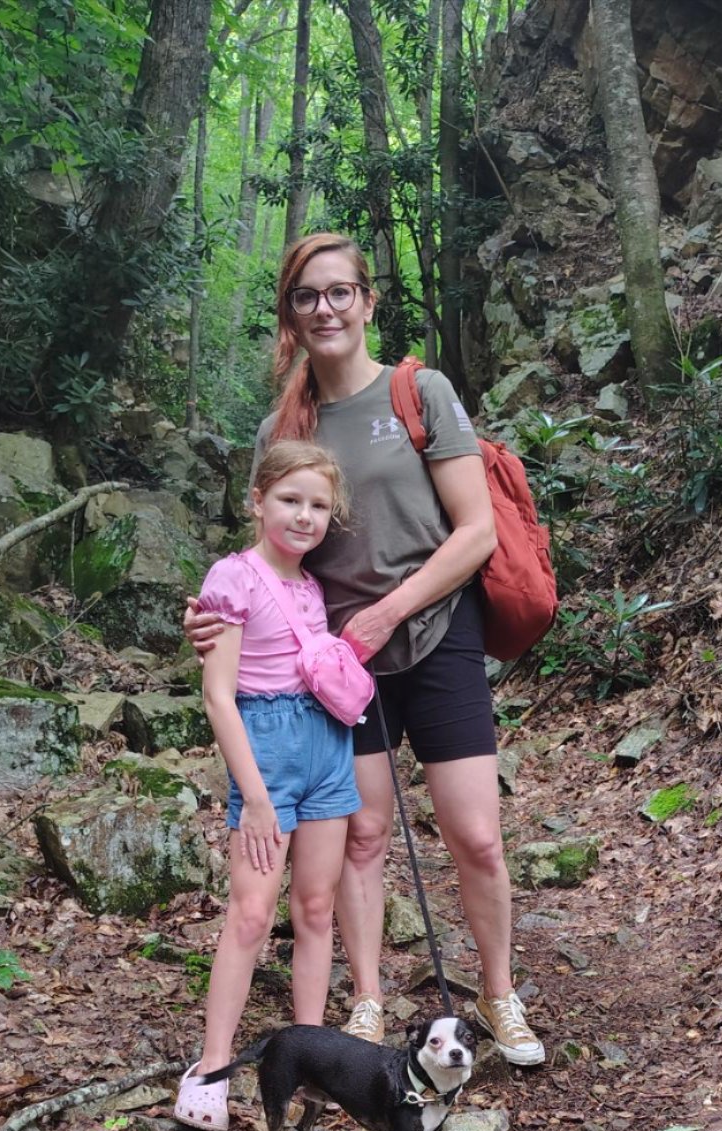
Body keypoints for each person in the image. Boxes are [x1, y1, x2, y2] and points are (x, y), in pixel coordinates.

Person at [182, 232, 545, 1068]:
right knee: (365, 834)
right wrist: (213, 619)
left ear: (367, 301)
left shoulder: (419, 393)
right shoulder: (284, 424)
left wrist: (388, 614)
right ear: (290, 311)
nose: (325, 309)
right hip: (330, 665)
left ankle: (498, 993)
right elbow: (266, 559)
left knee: (476, 834)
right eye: (306, 296)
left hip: (435, 632)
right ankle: (368, 999)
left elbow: (475, 532)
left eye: (339, 292)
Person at [173, 440, 361, 1131]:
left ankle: (311, 1062)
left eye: (318, 506)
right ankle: (212, 1066)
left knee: (314, 908)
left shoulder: (313, 586)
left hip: (327, 750)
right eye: (289, 500)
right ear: (257, 501)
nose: (304, 516)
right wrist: (253, 796)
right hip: (266, 754)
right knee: (251, 915)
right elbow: (218, 696)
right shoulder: (234, 577)